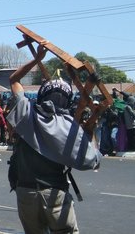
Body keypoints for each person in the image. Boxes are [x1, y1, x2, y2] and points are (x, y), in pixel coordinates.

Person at [6, 41, 101, 234]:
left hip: (26, 193)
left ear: (41, 96)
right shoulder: (70, 127)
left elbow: (14, 80)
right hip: (54, 194)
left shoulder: (26, 111)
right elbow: (93, 160)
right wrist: (91, 130)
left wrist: (37, 59)